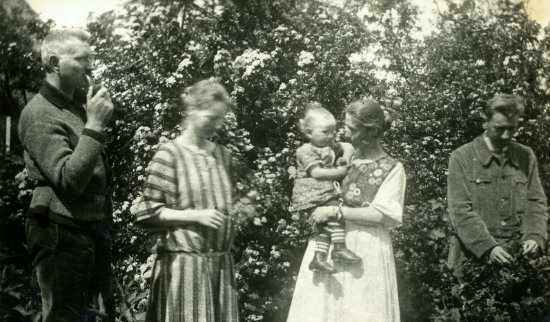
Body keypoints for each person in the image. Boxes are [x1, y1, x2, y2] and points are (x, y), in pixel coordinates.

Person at [18, 28, 115, 321]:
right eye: (81, 59)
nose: (91, 66)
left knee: (95, 316)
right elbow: (68, 180)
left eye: (91, 58)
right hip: (59, 231)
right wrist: (95, 126)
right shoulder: (38, 113)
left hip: (88, 228)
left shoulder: (77, 104)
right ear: (54, 62)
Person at [287, 99, 406, 322]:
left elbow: (380, 215)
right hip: (329, 242)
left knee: (361, 309)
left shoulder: (393, 168)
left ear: (372, 131)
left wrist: (334, 212)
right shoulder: (344, 154)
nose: (344, 132)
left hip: (366, 247)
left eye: (352, 128)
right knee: (322, 310)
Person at [134, 80, 241, 322]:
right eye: (211, 118)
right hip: (185, 270)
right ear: (192, 111)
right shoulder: (169, 154)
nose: (217, 125)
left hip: (221, 268)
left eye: (221, 118)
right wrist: (196, 215)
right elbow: (146, 212)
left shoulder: (224, 156)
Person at [447, 93, 548, 276]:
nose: (506, 135)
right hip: (473, 262)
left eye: (512, 128)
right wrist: (488, 248)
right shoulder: (462, 157)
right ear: (485, 122)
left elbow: (536, 202)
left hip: (518, 259)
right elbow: (460, 210)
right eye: (500, 128)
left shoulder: (526, 156)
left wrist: (534, 236)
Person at [291, 102, 360, 274]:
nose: (331, 136)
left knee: (324, 227)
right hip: (311, 196)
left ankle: (319, 259)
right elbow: (317, 173)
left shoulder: (329, 145)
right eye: (325, 132)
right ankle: (338, 248)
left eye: (333, 131)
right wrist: (341, 171)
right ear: (308, 132)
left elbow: (349, 146)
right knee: (336, 216)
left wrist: (345, 157)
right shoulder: (305, 150)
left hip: (324, 194)